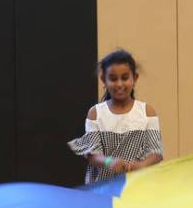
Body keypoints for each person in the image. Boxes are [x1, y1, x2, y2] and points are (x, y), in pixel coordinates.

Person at [68, 49, 163, 183]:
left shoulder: (147, 112)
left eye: (124, 78)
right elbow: (93, 155)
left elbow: (156, 153)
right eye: (113, 79)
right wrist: (109, 161)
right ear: (103, 80)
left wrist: (141, 165)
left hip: (137, 186)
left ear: (135, 78)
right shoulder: (95, 113)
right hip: (102, 187)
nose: (119, 84)